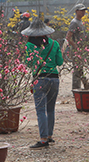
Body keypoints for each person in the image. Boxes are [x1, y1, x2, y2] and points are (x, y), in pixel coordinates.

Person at [22, 18, 63, 149]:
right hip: (54, 79)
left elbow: (28, 63)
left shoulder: (29, 46)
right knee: (51, 109)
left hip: (40, 79)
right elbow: (59, 62)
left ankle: (43, 139)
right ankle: (50, 136)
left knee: (41, 111)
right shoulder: (54, 44)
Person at [66, 3, 87, 90]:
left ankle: (84, 85)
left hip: (81, 48)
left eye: (84, 10)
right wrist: (76, 48)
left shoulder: (80, 21)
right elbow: (68, 37)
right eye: (81, 10)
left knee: (80, 69)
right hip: (76, 49)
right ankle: (76, 89)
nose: (83, 12)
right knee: (77, 69)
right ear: (76, 11)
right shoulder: (74, 22)